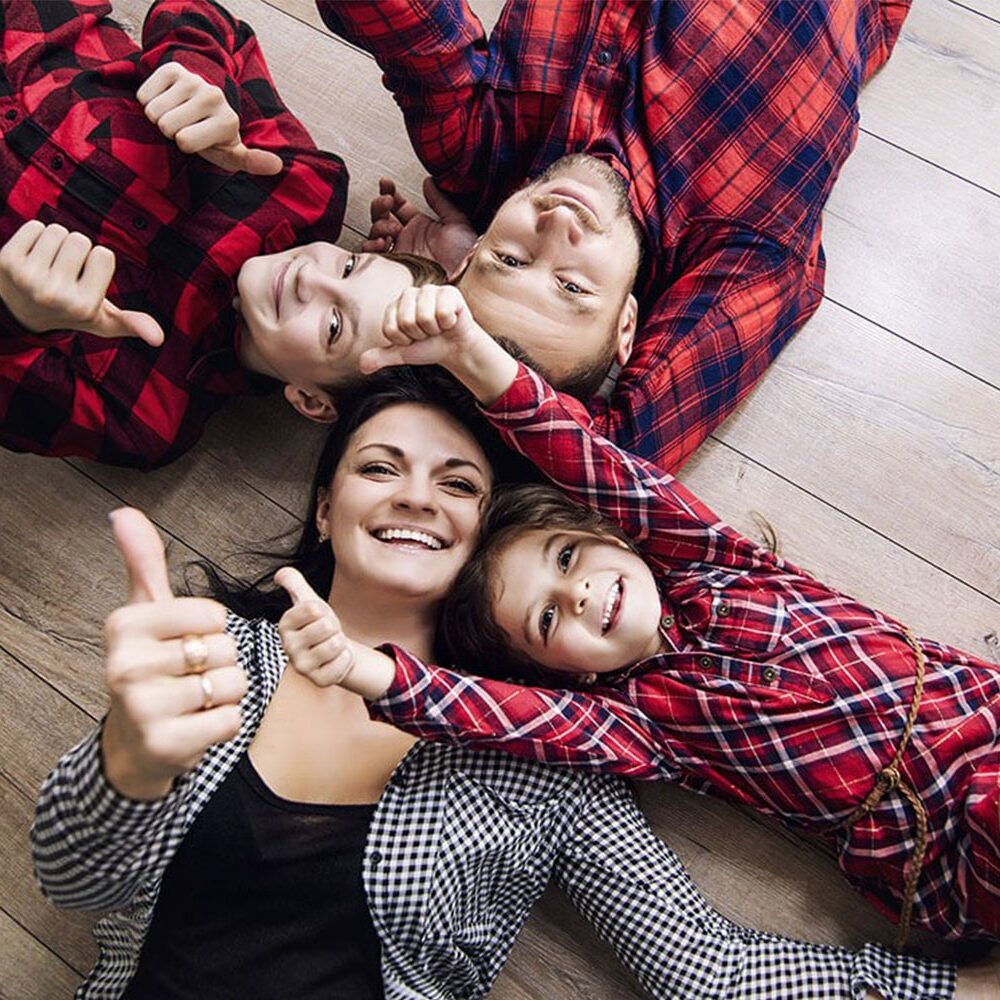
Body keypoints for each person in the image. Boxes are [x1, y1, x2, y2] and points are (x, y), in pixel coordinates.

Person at [31, 369, 966, 999]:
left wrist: (955, 990)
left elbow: (708, 968)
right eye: (378, 467)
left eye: (459, 484)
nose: (415, 496)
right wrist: (129, 760)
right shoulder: (206, 654)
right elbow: (70, 886)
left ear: (489, 540)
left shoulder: (551, 754)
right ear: (326, 508)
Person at [285, 285, 1000, 948]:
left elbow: (584, 457)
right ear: (555, 671)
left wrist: (469, 350)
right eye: (546, 621)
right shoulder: (641, 724)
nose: (582, 595)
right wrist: (362, 668)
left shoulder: (716, 562)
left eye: (568, 560)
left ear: (610, 534)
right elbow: (496, 712)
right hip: (949, 849)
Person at [318, 0, 911, 472]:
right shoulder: (745, 244)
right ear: (627, 324)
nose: (557, 225)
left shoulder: (482, 152)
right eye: (571, 287)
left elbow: (409, 26)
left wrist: (451, 271)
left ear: (472, 247)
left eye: (509, 258)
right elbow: (626, 456)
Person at [0, 0, 440, 469]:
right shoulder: (304, 189)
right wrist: (199, 75)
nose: (310, 276)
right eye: (350, 266)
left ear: (312, 400)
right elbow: (197, 14)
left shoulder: (145, 419)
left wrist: (17, 322)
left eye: (334, 326)